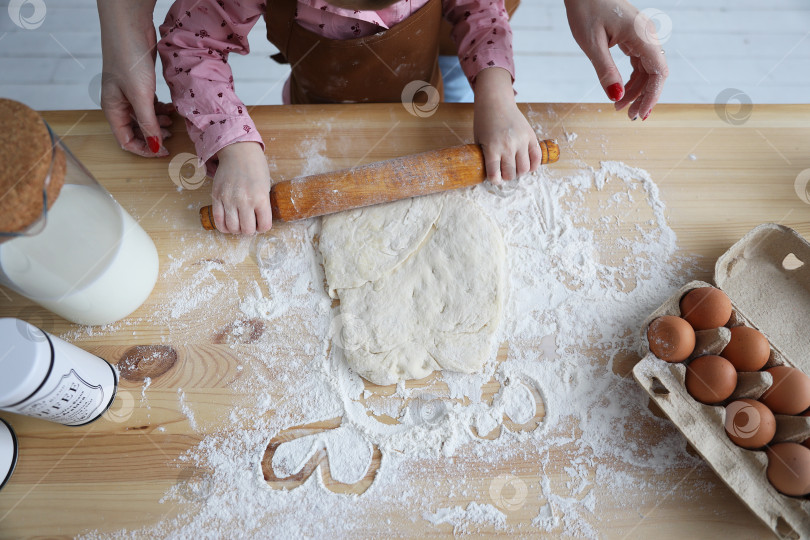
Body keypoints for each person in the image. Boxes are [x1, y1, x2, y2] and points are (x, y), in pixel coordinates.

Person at [97, 0, 668, 235]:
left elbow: (478, 10)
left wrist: (495, 96)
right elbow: (194, 44)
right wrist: (235, 147)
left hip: (425, 88)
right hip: (315, 95)